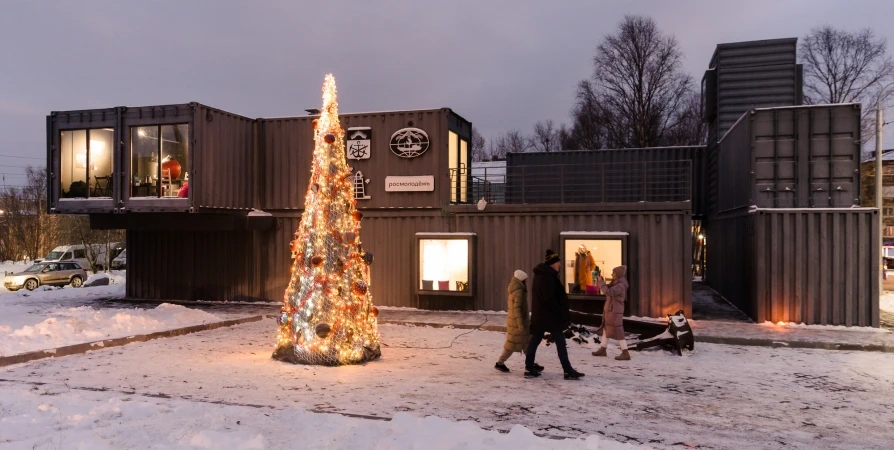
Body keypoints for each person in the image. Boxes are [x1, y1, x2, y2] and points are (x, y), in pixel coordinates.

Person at [525, 249, 585, 380]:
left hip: (542, 316)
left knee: (535, 340)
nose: (560, 265)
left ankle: (529, 367)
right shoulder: (547, 277)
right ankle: (567, 371)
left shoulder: (543, 275)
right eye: (558, 262)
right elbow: (550, 299)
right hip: (549, 316)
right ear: (552, 263)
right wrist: (560, 312)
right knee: (559, 342)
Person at [495, 270, 538, 373]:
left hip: (516, 322)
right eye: (525, 280)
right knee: (512, 344)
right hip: (518, 323)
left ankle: (531, 363)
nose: (527, 281)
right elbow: (517, 308)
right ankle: (500, 363)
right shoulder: (519, 292)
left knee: (525, 343)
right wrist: (520, 324)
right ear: (522, 280)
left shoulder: (515, 289)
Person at [592, 266, 630, 360]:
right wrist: (602, 281)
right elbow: (607, 288)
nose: (612, 274)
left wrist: (601, 283)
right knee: (606, 328)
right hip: (611, 310)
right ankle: (603, 349)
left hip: (615, 310)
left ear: (618, 274)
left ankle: (625, 352)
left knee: (618, 330)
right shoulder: (616, 283)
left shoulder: (620, 285)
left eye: (613, 273)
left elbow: (608, 292)